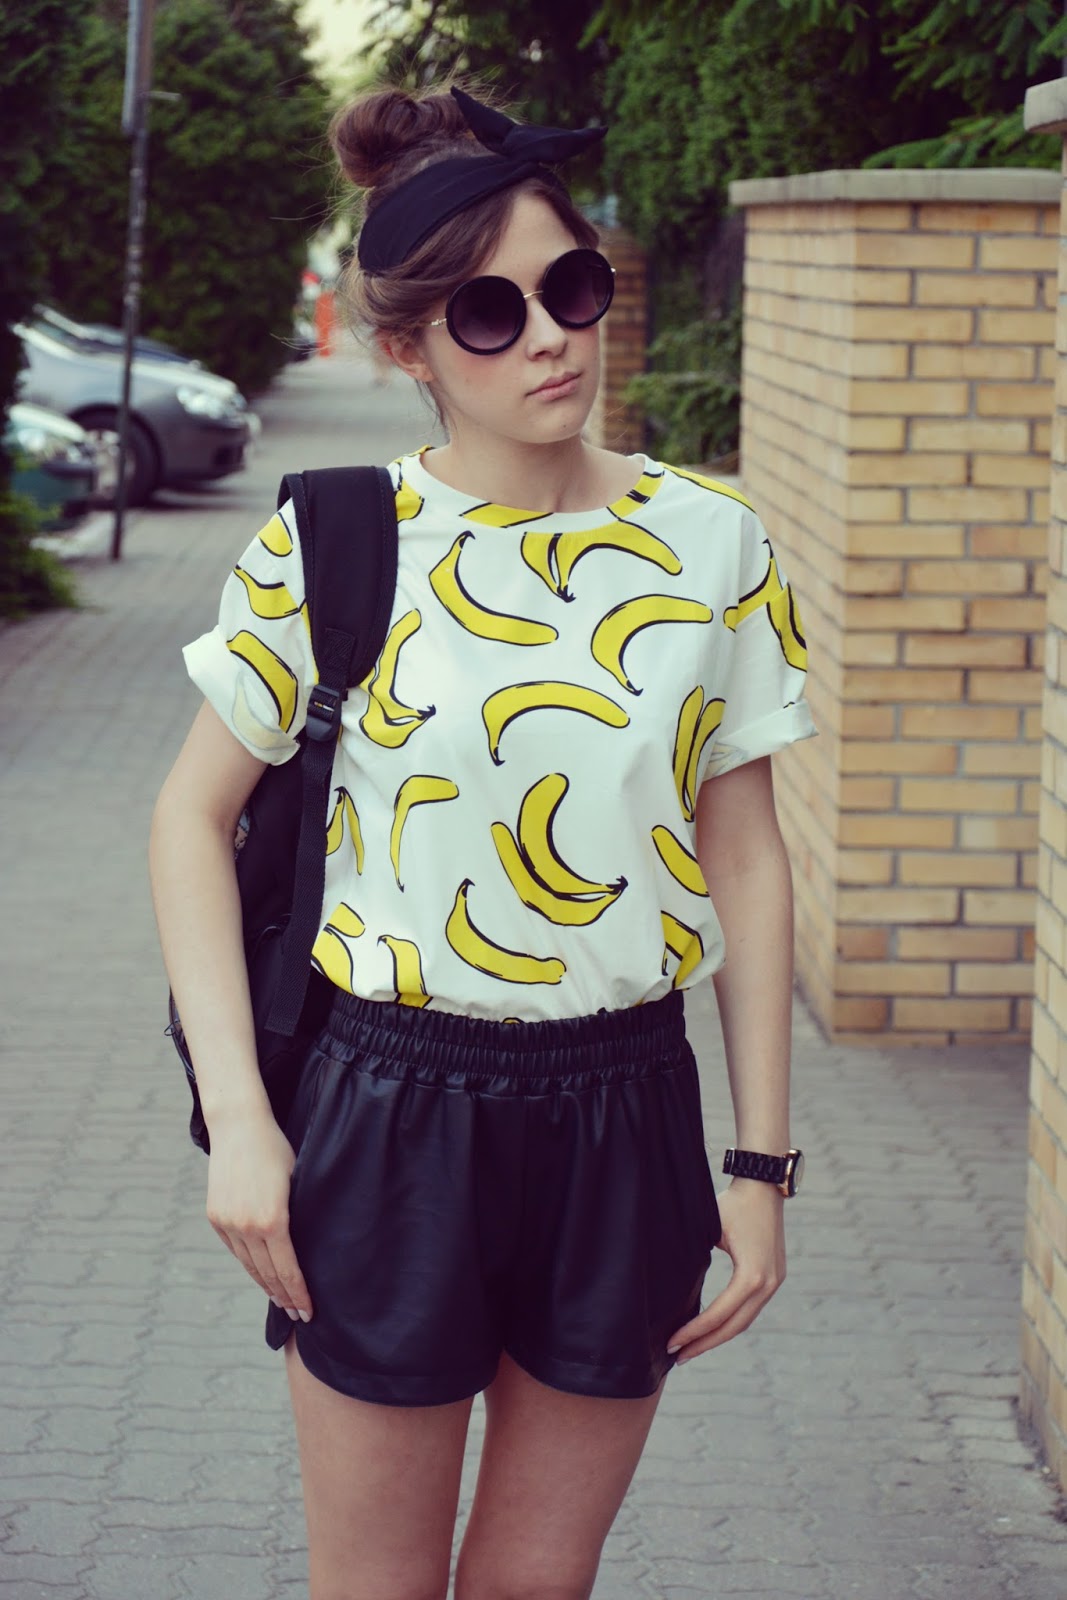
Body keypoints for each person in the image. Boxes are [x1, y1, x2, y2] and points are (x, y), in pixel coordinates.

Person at [149, 78, 815, 1600]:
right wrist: (241, 1120)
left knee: (537, 1585)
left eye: (571, 289)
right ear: (408, 349)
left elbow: (748, 857)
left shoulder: (712, 542)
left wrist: (761, 1164)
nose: (552, 339)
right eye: (492, 315)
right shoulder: (333, 539)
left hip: (627, 1107)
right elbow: (189, 816)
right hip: (392, 1112)